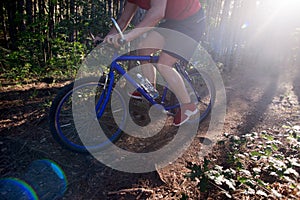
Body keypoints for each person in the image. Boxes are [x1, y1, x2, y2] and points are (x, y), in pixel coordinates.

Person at [95, 0, 206, 126]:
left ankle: (188, 106)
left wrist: (128, 37)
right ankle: (150, 89)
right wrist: (107, 39)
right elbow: (123, 21)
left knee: (164, 64)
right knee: (144, 49)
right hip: (173, 22)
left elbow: (157, 13)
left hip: (192, 22)